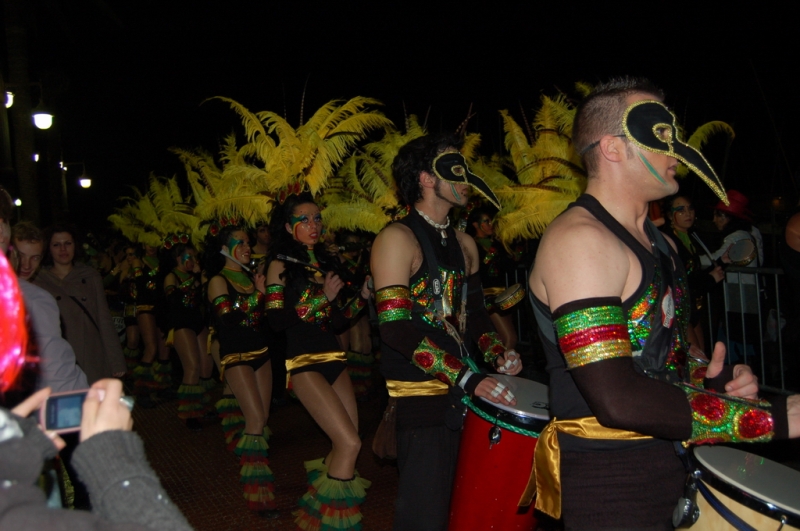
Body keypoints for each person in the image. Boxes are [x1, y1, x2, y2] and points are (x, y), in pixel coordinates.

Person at [528, 77, 799, 528]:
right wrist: (768, 418)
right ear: (613, 148)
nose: (678, 152)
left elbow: (660, 359)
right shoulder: (580, 243)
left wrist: (713, 380)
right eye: (661, 137)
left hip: (673, 458)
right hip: (611, 480)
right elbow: (616, 397)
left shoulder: (664, 247)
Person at [370, 134, 522, 531]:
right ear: (425, 178)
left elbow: (476, 317)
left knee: (466, 509)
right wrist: (469, 377)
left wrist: (497, 354)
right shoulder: (395, 239)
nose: (467, 178)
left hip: (466, 394)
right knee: (425, 515)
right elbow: (396, 331)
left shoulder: (465, 243)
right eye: (455, 168)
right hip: (421, 400)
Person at [265, 194, 371, 530]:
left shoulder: (326, 265)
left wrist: (364, 297)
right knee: (349, 443)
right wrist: (321, 298)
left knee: (349, 439)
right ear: (288, 226)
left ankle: (318, 507)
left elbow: (339, 322)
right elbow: (275, 321)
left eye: (317, 218)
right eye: (304, 219)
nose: (314, 226)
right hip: (303, 363)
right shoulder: (279, 265)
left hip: (334, 359)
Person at [207, 224, 277, 516]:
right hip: (235, 356)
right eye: (241, 242)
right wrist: (260, 295)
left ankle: (255, 473)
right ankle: (258, 492)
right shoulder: (217, 280)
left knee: (262, 417)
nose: (248, 247)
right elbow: (229, 318)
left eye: (249, 242)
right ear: (225, 248)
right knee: (256, 419)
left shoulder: (253, 277)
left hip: (262, 353)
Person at [34, 224, 126, 384]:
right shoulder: (39, 280)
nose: (63, 249)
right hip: (58, 357)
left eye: (67, 243)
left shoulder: (90, 276)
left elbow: (104, 319)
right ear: (49, 248)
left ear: (75, 245)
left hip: (91, 353)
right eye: (56, 245)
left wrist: (116, 361)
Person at [10, 222, 88, 393]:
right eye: (21, 256)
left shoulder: (39, 292)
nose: (27, 265)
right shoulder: (36, 298)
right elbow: (56, 369)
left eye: (35, 257)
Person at [660, 195, 724, 349]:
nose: (688, 213)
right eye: (680, 210)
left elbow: (693, 273)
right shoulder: (669, 240)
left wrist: (722, 263)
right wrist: (710, 279)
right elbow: (680, 280)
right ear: (669, 215)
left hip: (691, 307)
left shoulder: (689, 238)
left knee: (701, 358)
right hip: (678, 308)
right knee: (695, 360)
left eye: (690, 208)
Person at [163, 239, 207, 430]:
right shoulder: (171, 276)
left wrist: (201, 278)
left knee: (206, 367)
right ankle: (189, 413)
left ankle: (201, 406)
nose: (193, 260)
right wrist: (193, 279)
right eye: (190, 256)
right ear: (179, 258)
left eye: (195, 256)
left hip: (198, 321)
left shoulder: (196, 275)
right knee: (192, 367)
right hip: (181, 324)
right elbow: (174, 299)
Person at [467, 206, 520, 350]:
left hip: (502, 297)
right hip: (485, 298)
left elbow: (510, 265)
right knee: (510, 338)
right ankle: (505, 368)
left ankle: (503, 367)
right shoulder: (471, 244)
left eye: (491, 221)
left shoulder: (497, 243)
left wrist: (511, 250)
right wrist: (490, 254)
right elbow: (474, 271)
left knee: (504, 339)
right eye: (486, 221)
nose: (491, 225)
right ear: (476, 224)